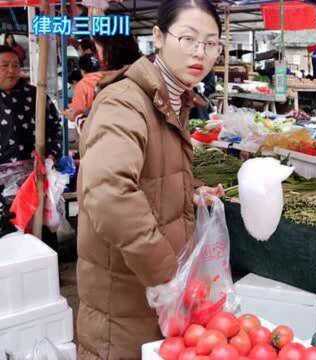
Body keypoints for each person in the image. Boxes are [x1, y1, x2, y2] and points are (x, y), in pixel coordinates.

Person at [76, 1, 224, 358]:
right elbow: (110, 194)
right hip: (124, 308)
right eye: (188, 39)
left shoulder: (173, 101)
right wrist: (165, 274)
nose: (199, 53)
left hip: (154, 306)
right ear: (158, 38)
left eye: (210, 43)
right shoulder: (125, 102)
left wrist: (189, 193)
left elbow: (150, 177)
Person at [0, 46, 61, 165]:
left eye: (16, 65)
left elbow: (56, 129)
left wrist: (50, 154)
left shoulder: (36, 95)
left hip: (34, 171)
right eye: (5, 65)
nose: (11, 70)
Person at [63, 54, 101, 122]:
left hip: (94, 124)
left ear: (82, 70)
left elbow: (77, 111)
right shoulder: (107, 78)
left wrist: (68, 113)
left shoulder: (82, 85)